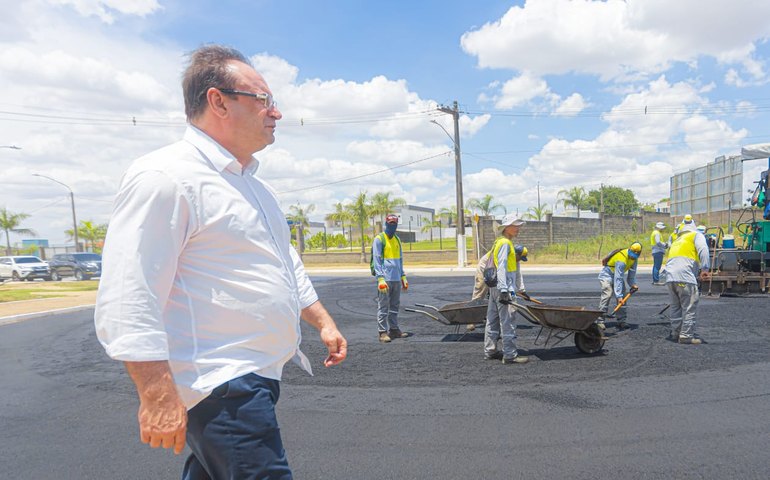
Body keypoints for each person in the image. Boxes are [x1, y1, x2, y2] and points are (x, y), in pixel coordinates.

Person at [94, 45, 347, 479]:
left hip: (256, 376)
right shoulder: (168, 177)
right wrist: (156, 393)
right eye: (263, 100)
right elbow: (127, 290)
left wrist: (321, 321)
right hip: (222, 381)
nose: (276, 113)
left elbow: (283, 262)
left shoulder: (253, 187)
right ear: (218, 101)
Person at [484, 215, 529, 364]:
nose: (518, 228)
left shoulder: (499, 242)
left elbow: (512, 268)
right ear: (507, 227)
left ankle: (490, 350)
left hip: (495, 288)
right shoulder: (505, 243)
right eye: (515, 225)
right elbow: (502, 266)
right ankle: (510, 355)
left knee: (492, 320)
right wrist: (504, 290)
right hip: (503, 288)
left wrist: (520, 289)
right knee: (508, 321)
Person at [666, 222, 711, 344]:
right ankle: (686, 336)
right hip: (684, 277)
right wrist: (705, 269)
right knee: (689, 306)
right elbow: (703, 250)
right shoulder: (696, 235)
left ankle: (676, 333)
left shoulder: (677, 239)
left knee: (675, 306)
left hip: (670, 277)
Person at [372, 214, 408, 343]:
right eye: (390, 223)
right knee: (383, 306)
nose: (392, 225)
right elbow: (377, 259)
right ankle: (382, 332)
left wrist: (403, 275)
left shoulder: (397, 239)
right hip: (385, 279)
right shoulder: (379, 239)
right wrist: (380, 278)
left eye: (394, 223)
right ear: (386, 224)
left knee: (394, 305)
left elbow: (400, 259)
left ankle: (394, 329)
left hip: (396, 278)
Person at [598, 242, 642, 330]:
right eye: (632, 254)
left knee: (623, 297)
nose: (632, 257)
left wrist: (633, 284)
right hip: (607, 275)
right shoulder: (622, 259)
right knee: (608, 294)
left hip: (617, 276)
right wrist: (618, 296)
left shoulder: (634, 259)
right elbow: (618, 278)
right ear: (629, 249)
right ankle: (600, 321)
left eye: (634, 256)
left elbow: (631, 275)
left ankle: (621, 320)